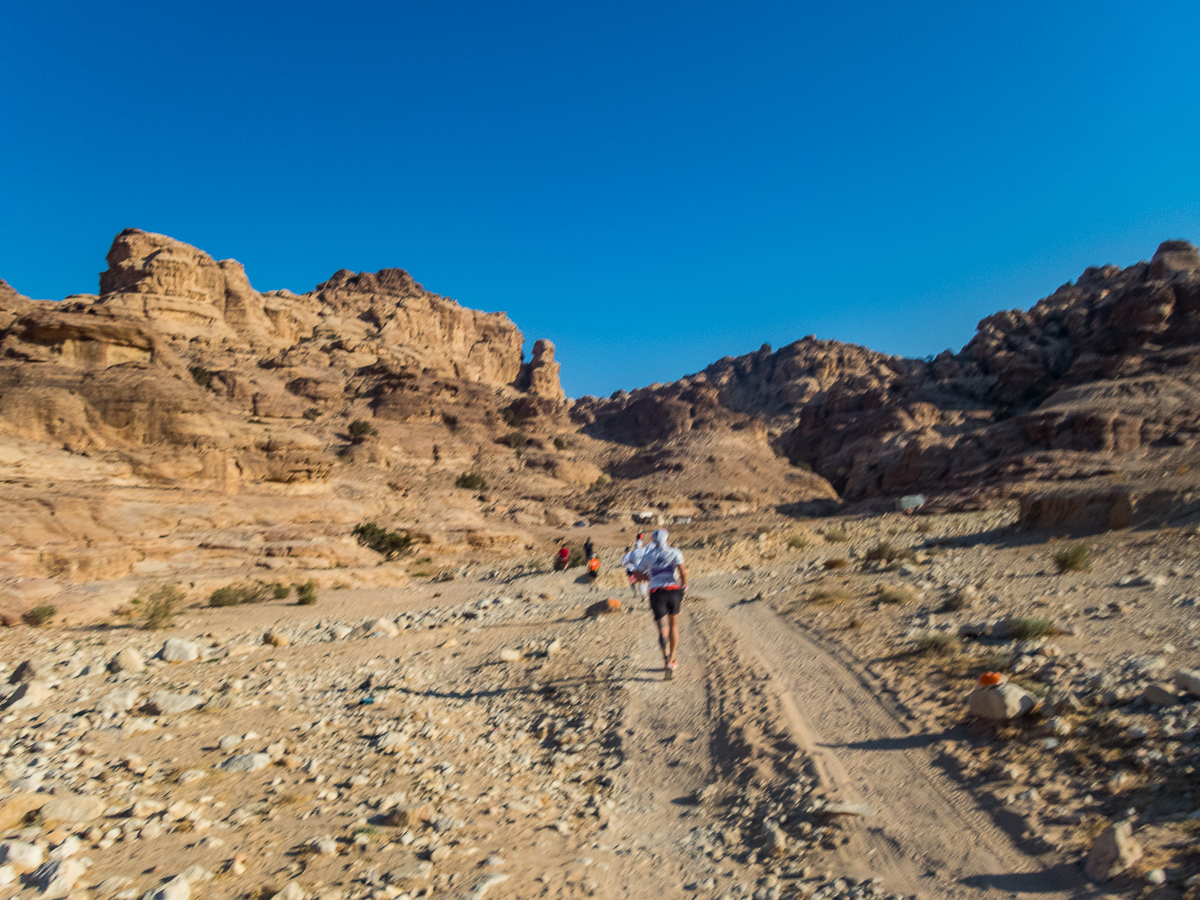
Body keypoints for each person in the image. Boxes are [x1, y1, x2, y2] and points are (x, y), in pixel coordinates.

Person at [635, 529, 687, 679]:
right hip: (673, 590)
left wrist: (651, 577)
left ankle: (665, 659)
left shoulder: (647, 555)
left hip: (656, 592)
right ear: (667, 539)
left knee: (661, 628)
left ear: (653, 540)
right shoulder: (675, 552)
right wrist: (684, 586)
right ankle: (672, 659)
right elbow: (683, 572)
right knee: (673, 625)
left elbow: (637, 574)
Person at [622, 533, 648, 599]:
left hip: (635, 569)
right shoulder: (645, 550)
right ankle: (644, 593)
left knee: (638, 581)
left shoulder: (633, 552)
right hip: (644, 567)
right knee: (644, 581)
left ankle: (641, 594)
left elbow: (629, 561)